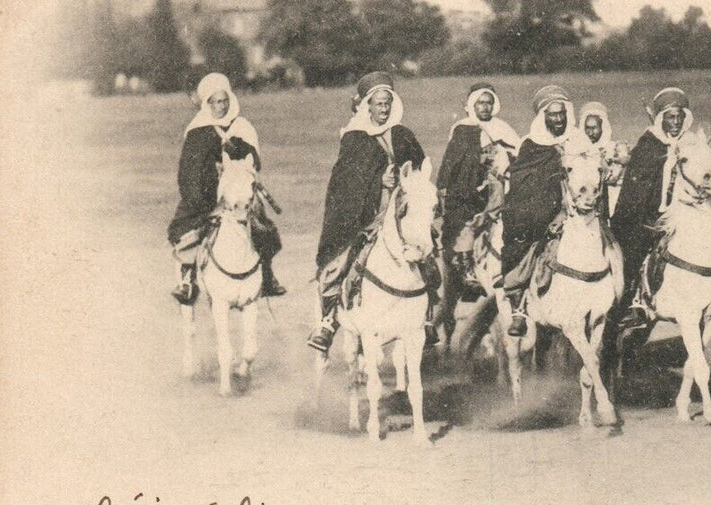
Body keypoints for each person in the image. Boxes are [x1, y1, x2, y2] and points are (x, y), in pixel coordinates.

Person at [307, 71, 432, 355]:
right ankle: (328, 321)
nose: (384, 108)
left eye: (387, 103)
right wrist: (379, 184)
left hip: (400, 214)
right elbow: (347, 184)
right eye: (378, 104)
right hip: (366, 216)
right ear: (367, 106)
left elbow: (420, 174)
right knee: (343, 261)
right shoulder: (355, 138)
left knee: (427, 257)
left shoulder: (403, 135)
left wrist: (403, 186)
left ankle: (426, 317)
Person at [168, 72, 285, 304]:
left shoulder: (242, 126)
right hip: (206, 196)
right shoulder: (197, 131)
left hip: (239, 193)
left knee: (264, 228)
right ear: (206, 103)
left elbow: (254, 162)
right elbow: (188, 172)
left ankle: (267, 276)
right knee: (187, 230)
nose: (221, 106)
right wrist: (201, 195)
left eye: (224, 101)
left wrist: (238, 150)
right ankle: (187, 280)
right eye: (215, 102)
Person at [609, 87, 692, 332]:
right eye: (670, 117)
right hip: (649, 216)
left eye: (679, 117)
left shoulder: (689, 142)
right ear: (661, 119)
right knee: (635, 252)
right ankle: (633, 303)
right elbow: (639, 184)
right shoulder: (649, 143)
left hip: (681, 214)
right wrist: (666, 158)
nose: (675, 122)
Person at [501, 85, 577, 338]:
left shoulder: (578, 140)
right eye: (552, 114)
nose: (557, 119)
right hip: (543, 217)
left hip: (579, 212)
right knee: (525, 240)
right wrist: (547, 213)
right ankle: (520, 307)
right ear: (543, 116)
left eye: (561, 114)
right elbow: (523, 187)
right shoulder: (531, 145)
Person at [438, 82, 520, 300]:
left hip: (502, 186)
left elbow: (517, 155)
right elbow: (452, 164)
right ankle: (466, 273)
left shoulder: (503, 128)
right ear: (472, 104)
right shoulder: (462, 128)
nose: (485, 107)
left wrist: (504, 160)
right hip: (470, 190)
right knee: (466, 223)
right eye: (480, 103)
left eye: (488, 103)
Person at [573, 102, 629, 214]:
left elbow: (612, 178)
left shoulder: (615, 149)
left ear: (602, 127)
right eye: (587, 128)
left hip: (611, 202)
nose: (590, 133)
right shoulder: (578, 151)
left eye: (594, 128)